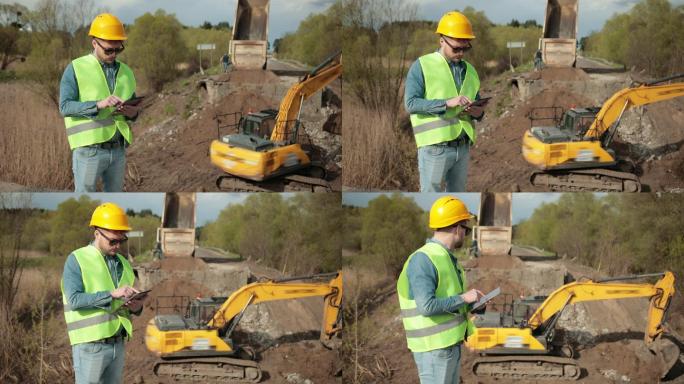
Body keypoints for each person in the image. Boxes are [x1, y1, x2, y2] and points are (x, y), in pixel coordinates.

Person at [397, 195, 484, 384]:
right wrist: (464, 297)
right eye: (466, 229)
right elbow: (426, 307)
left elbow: (452, 301)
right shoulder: (423, 259)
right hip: (434, 350)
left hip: (449, 347)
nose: (465, 235)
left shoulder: (447, 259)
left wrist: (474, 304)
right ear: (457, 228)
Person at [61, 202, 146, 384]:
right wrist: (112, 294)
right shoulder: (77, 259)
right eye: (112, 241)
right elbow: (75, 300)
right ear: (97, 233)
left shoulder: (123, 263)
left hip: (118, 344)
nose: (117, 246)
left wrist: (137, 307)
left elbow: (123, 304)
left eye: (121, 241)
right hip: (90, 346)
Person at [405, 11, 486, 192]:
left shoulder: (471, 71)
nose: (461, 53)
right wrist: (446, 103)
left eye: (465, 49)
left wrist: (478, 112)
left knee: (457, 195)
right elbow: (411, 103)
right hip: (435, 149)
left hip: (463, 147)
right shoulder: (422, 66)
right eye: (456, 48)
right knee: (431, 195)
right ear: (442, 40)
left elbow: (478, 104)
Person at [59, 13, 140, 192]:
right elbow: (65, 107)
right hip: (89, 151)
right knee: (84, 198)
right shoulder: (76, 68)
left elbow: (134, 111)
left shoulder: (126, 72)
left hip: (118, 150)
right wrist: (98, 105)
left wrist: (132, 113)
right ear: (94, 43)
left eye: (118, 50)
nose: (113, 54)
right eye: (108, 50)